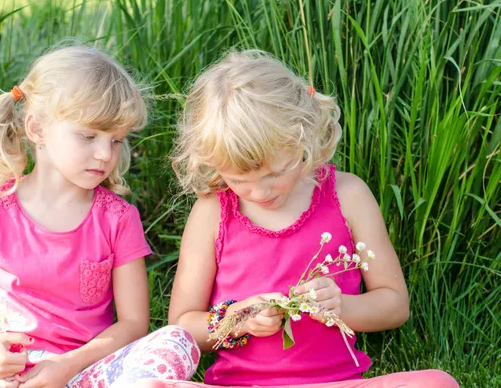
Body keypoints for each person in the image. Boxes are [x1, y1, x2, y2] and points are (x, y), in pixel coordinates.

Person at [141, 50, 458, 387]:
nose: (259, 193)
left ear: (301, 138)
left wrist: (341, 306)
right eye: (238, 181)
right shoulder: (213, 211)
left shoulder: (348, 196)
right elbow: (182, 327)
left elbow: (395, 305)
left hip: (334, 383)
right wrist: (240, 319)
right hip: (239, 385)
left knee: (437, 383)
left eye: (274, 173)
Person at [0, 45, 199, 388]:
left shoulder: (117, 219)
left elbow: (133, 323)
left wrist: (67, 366)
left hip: (84, 375)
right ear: (38, 130)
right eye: (88, 136)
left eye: (116, 140)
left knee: (177, 341)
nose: (105, 154)